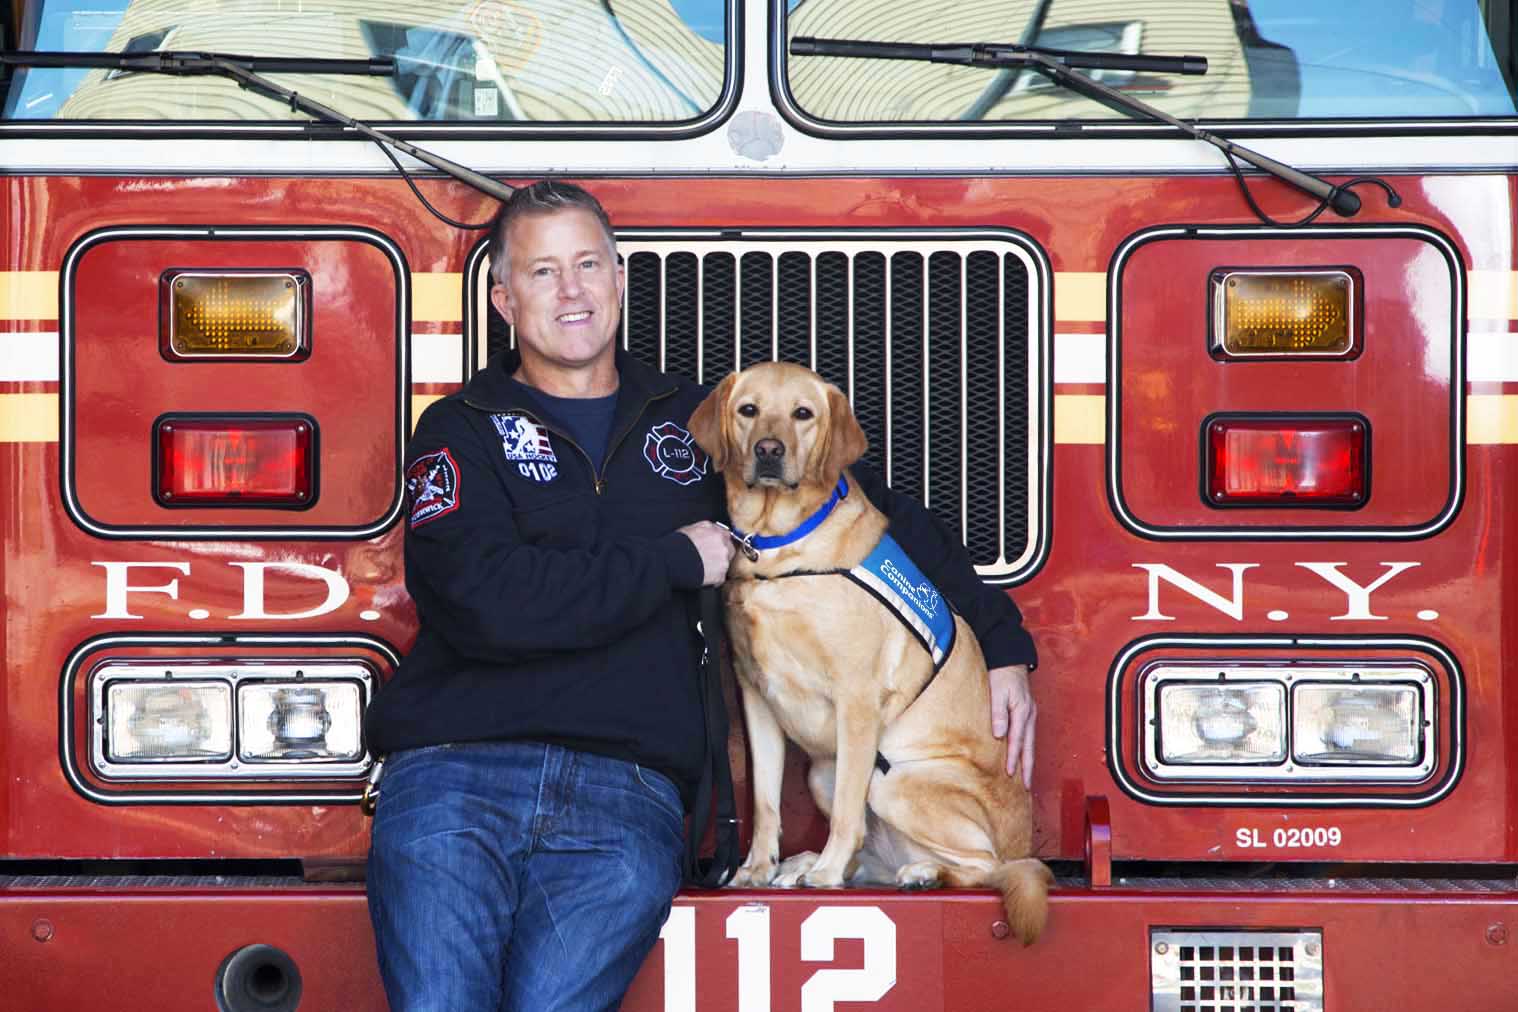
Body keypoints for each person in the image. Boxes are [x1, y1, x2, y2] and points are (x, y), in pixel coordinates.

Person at [363, 180, 1039, 1012]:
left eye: (587, 266)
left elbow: (883, 517)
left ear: (619, 278)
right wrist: (675, 560)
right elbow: (479, 603)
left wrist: (1002, 643)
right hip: (456, 773)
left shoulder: (705, 422)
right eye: (542, 273)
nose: (571, 292)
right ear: (503, 298)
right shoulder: (460, 428)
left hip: (628, 788)